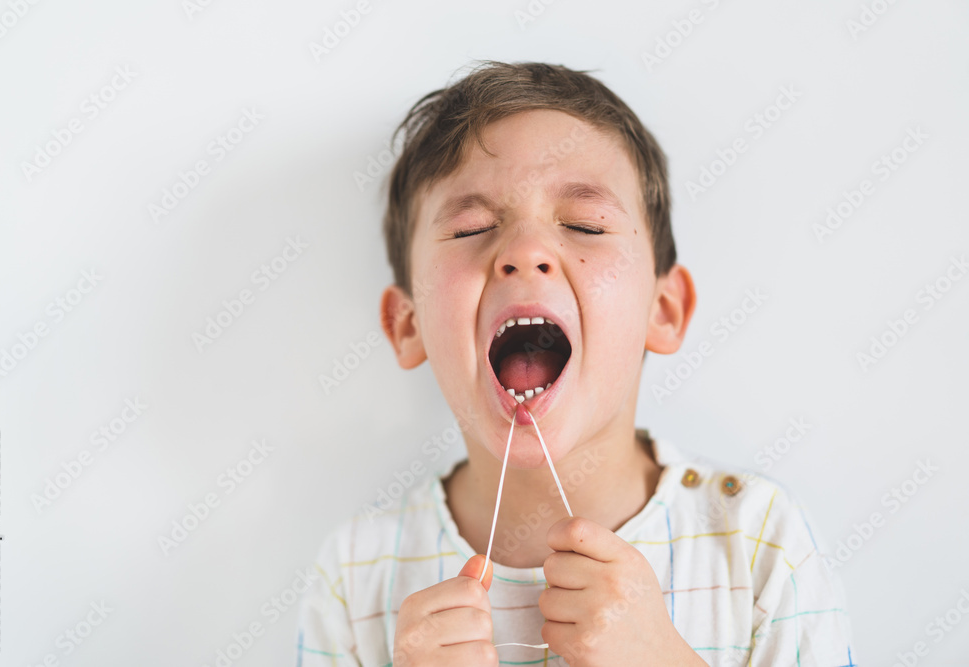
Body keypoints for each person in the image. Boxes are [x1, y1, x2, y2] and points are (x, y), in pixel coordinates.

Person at [296, 60, 855, 666]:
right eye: (472, 228)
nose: (526, 251)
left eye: (585, 225)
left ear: (662, 310)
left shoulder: (757, 541)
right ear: (408, 325)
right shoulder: (356, 575)